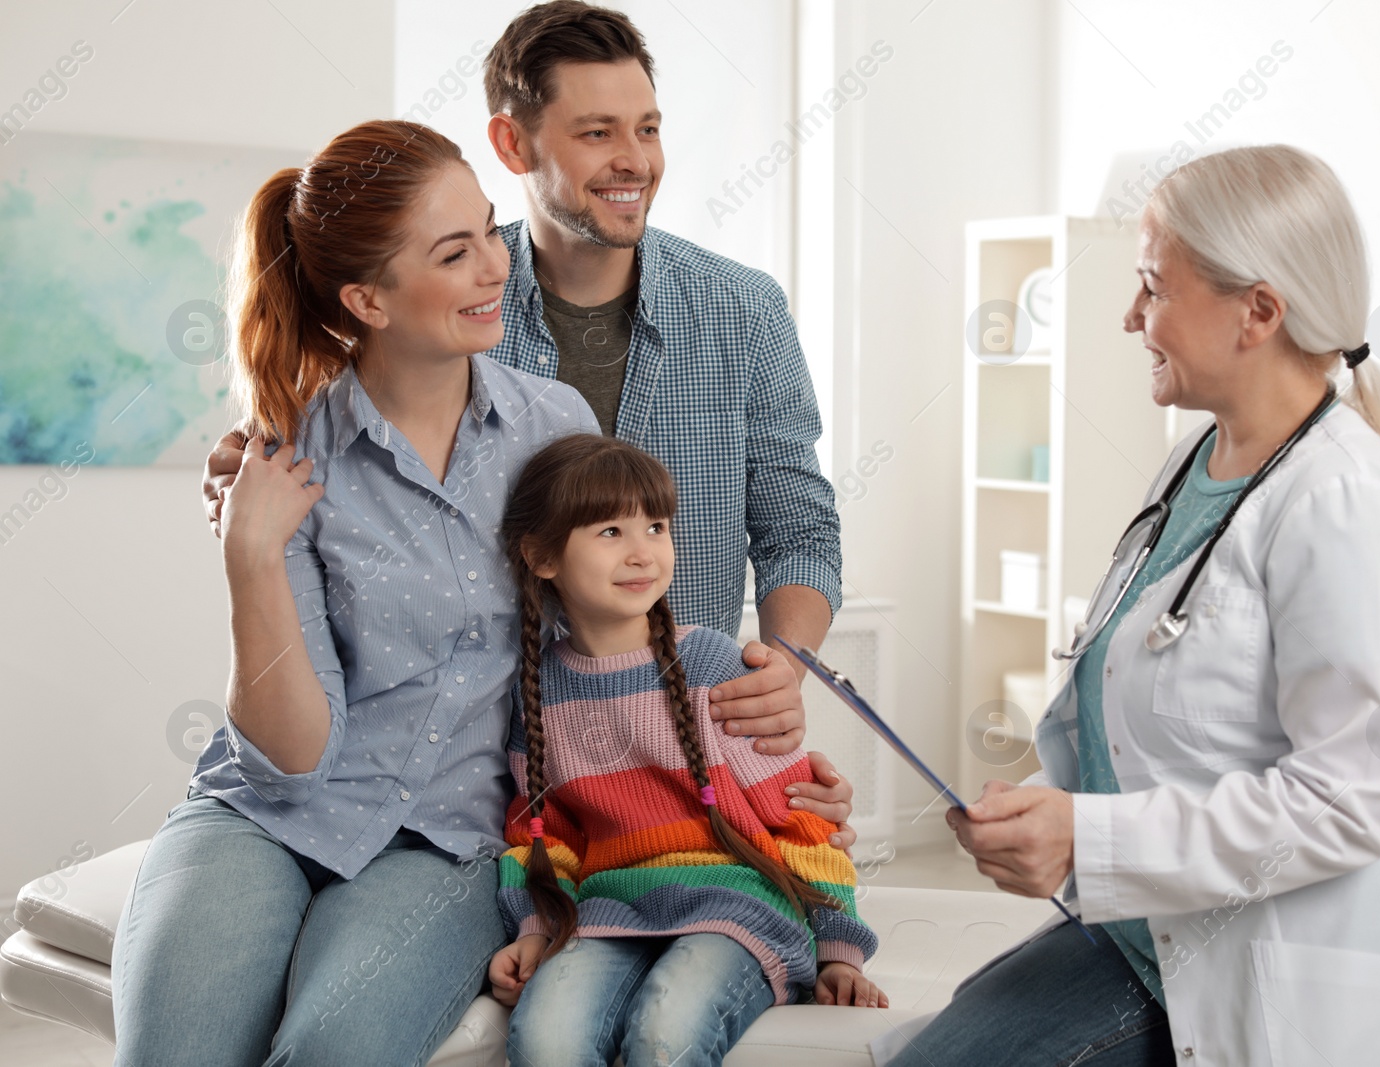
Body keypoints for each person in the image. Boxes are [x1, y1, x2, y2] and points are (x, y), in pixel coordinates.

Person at [111, 119, 842, 1066]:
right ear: (367, 298)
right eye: (456, 253)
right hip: (262, 815)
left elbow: (617, 627)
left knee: (333, 1050)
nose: (497, 266)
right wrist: (251, 556)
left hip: (447, 838)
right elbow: (293, 760)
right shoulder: (285, 457)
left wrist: (761, 772)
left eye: (490, 234)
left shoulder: (553, 427)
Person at [896, 146, 1380, 1066]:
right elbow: (1170, 733)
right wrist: (1044, 810)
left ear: (1259, 312)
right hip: (1150, 933)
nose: (1129, 317)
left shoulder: (1346, 504)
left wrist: (1086, 837)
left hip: (1286, 975)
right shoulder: (1195, 464)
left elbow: (1348, 802)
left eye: (1153, 288)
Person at [199, 1, 849, 799]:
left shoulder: (744, 311)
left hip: (686, 735)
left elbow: (799, 527)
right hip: (510, 774)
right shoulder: (445, 302)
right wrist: (249, 466)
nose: (635, 161)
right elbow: (336, 416)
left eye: (647, 128)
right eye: (597, 132)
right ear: (512, 142)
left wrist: (782, 666)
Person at [486, 434, 884, 1066]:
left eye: (656, 526)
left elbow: (801, 819)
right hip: (609, 909)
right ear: (540, 556)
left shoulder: (712, 667)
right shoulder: (536, 694)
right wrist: (538, 930)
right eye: (610, 532)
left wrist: (839, 950)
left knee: (666, 1029)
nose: (642, 551)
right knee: (545, 1039)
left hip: (738, 909)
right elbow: (543, 837)